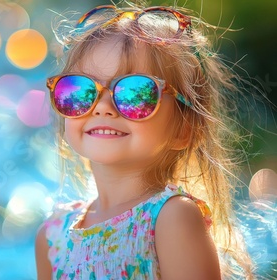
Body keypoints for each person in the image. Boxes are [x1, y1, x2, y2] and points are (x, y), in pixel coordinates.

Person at [35, 2, 255, 279]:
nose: (102, 107)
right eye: (80, 90)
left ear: (184, 129)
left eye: (135, 93)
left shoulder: (171, 219)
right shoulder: (52, 235)